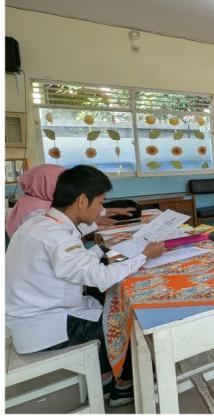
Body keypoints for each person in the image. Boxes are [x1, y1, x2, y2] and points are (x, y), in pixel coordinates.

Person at [5, 165, 166, 407]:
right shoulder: (56, 237)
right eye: (100, 202)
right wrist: (144, 255)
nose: (102, 210)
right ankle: (124, 386)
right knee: (123, 318)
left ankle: (106, 375)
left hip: (33, 313)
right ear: (82, 201)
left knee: (108, 303)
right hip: (45, 325)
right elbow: (100, 277)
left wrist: (103, 248)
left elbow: (73, 263)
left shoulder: (40, 223)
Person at [6, 164, 134, 240]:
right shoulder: (36, 212)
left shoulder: (37, 200)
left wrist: (108, 214)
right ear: (45, 184)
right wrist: (95, 225)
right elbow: (64, 232)